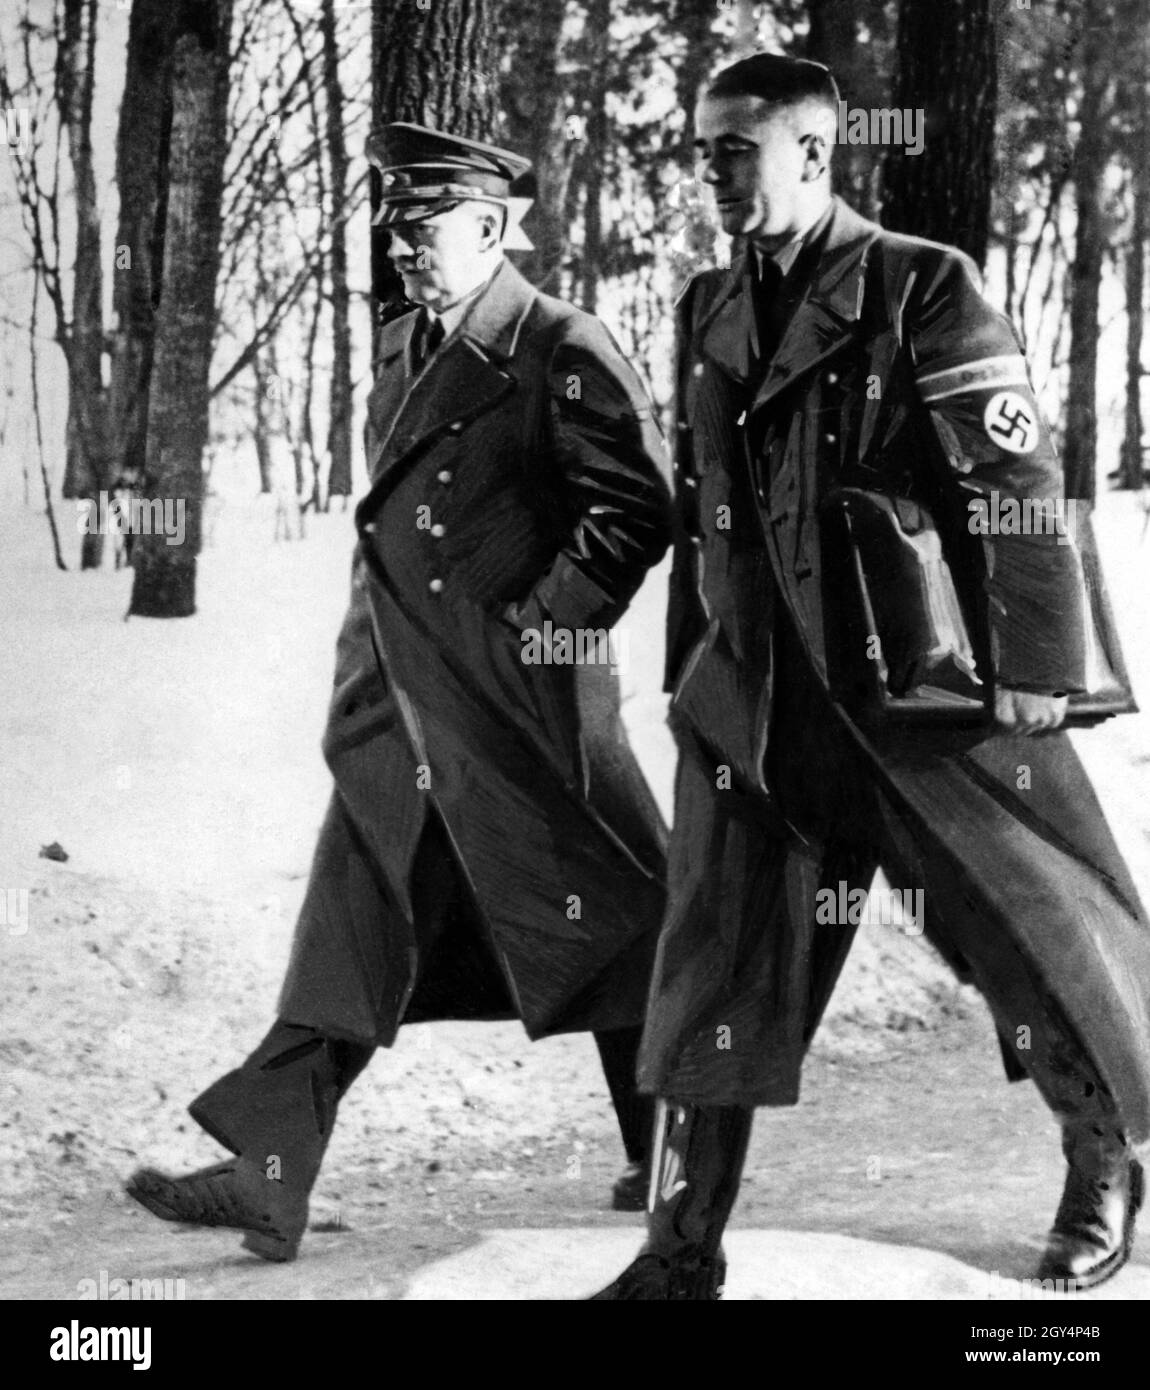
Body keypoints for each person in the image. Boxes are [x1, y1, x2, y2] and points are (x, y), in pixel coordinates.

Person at [593, 53, 1150, 1299]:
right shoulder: (707, 303)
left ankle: (1103, 1161)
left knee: (1017, 936)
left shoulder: (918, 286)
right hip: (757, 703)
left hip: (916, 698)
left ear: (810, 150)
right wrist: (694, 672)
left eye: (735, 148)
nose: (711, 172)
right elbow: (707, 515)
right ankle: (678, 1256)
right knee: (712, 967)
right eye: (701, 152)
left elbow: (1010, 481)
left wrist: (1033, 669)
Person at [126, 123, 673, 1262]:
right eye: (393, 229)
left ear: (489, 228)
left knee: (610, 917)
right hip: (404, 705)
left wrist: (541, 626)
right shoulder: (399, 345)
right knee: (353, 922)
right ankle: (270, 1178)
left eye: (421, 229)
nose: (402, 250)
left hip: (522, 711)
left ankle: (675, 1150)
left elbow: (636, 507)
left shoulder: (560, 344)